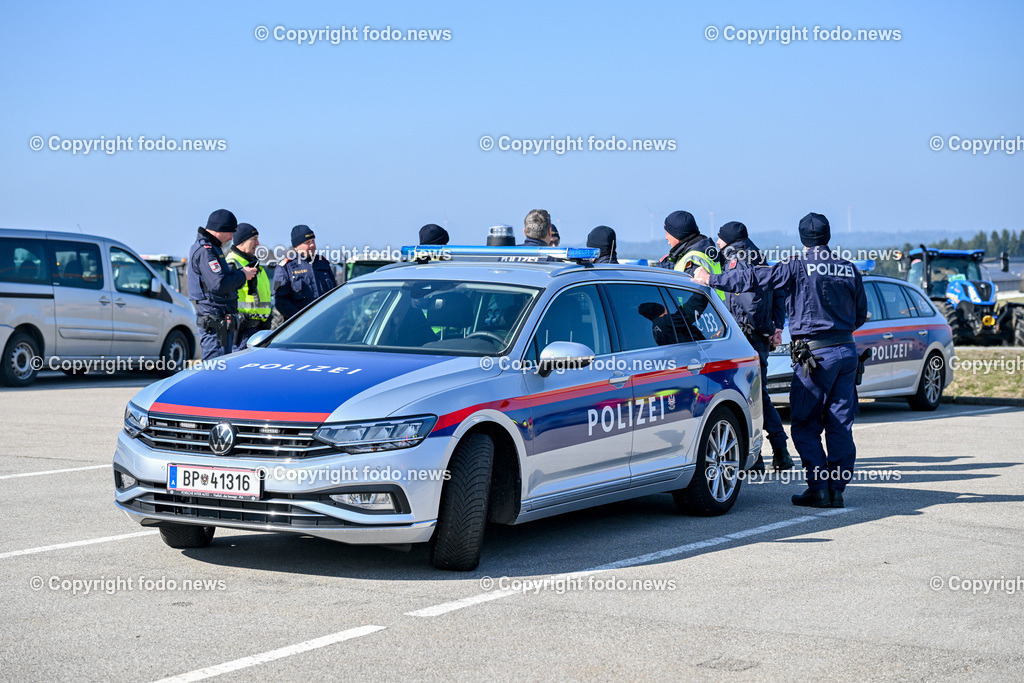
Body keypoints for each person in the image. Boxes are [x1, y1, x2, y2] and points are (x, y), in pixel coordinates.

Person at [694, 213, 868, 508]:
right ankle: (837, 489)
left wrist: (711, 279)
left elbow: (755, 278)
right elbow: (860, 315)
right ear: (827, 236)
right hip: (847, 353)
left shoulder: (796, 265)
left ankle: (818, 488)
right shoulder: (849, 268)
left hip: (814, 356)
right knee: (840, 422)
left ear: (803, 239)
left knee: (805, 421)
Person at [715, 221, 793, 471]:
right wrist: (776, 327)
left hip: (747, 337)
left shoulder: (737, 260)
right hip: (758, 336)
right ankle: (769, 454)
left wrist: (769, 329)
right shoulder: (759, 256)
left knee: (752, 397)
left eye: (719, 239)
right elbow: (778, 293)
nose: (716, 243)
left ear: (727, 240)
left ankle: (768, 454)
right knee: (757, 396)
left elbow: (750, 304)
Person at [187, 209, 256, 359]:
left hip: (221, 323)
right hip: (215, 324)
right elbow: (219, 284)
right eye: (230, 232)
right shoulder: (206, 251)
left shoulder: (213, 248)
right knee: (216, 372)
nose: (232, 237)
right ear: (220, 229)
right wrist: (243, 274)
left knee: (220, 371)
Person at [273, 225, 338, 322]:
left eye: (313, 241)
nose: (312, 245)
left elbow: (335, 293)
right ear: (296, 247)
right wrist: (301, 318)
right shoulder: (285, 268)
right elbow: (281, 301)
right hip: (300, 326)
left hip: (326, 321)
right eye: (307, 242)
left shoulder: (323, 264)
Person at [225, 222, 272, 350]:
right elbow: (224, 291)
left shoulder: (253, 264)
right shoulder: (232, 263)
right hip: (243, 331)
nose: (258, 244)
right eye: (254, 239)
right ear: (241, 242)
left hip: (259, 329)